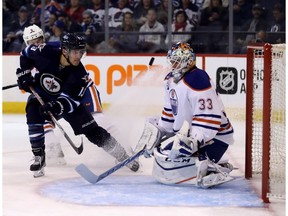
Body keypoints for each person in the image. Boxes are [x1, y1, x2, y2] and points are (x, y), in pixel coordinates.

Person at [16, 32, 140, 177]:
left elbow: (70, 100)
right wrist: (24, 74)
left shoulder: (79, 74)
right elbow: (25, 53)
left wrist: (55, 106)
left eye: (81, 52)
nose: (78, 56)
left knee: (93, 132)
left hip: (65, 102)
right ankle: (39, 156)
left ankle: (122, 154)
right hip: (42, 94)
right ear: (64, 50)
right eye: (75, 52)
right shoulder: (46, 50)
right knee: (33, 113)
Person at [135, 42, 234, 188]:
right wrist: (157, 133)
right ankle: (213, 161)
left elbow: (208, 116)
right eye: (172, 61)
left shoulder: (197, 79)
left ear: (187, 61)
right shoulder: (170, 81)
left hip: (216, 137)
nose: (172, 65)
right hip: (198, 133)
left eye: (176, 62)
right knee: (164, 155)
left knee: (175, 159)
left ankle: (213, 167)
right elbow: (170, 112)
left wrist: (195, 140)